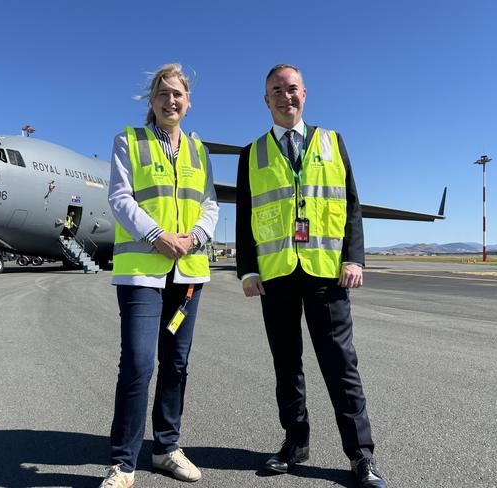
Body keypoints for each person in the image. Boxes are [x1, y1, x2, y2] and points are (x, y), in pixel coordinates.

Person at [235, 64, 387, 488]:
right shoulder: (252, 153)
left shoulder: (332, 142)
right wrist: (247, 269)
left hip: (326, 273)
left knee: (341, 365)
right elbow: (245, 217)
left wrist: (353, 258)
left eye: (292, 89)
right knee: (287, 365)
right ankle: (295, 442)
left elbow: (351, 204)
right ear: (266, 100)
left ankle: (361, 454)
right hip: (276, 274)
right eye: (277, 91)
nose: (286, 97)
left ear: (305, 94)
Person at [99, 64, 218, 488]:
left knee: (177, 363)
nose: (171, 101)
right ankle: (122, 462)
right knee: (137, 364)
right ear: (151, 102)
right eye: (163, 94)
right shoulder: (128, 141)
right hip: (142, 273)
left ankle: (167, 448)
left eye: (178, 95)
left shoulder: (200, 151)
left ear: (188, 102)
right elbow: (119, 196)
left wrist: (194, 237)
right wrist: (157, 235)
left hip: (187, 273)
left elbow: (210, 204)